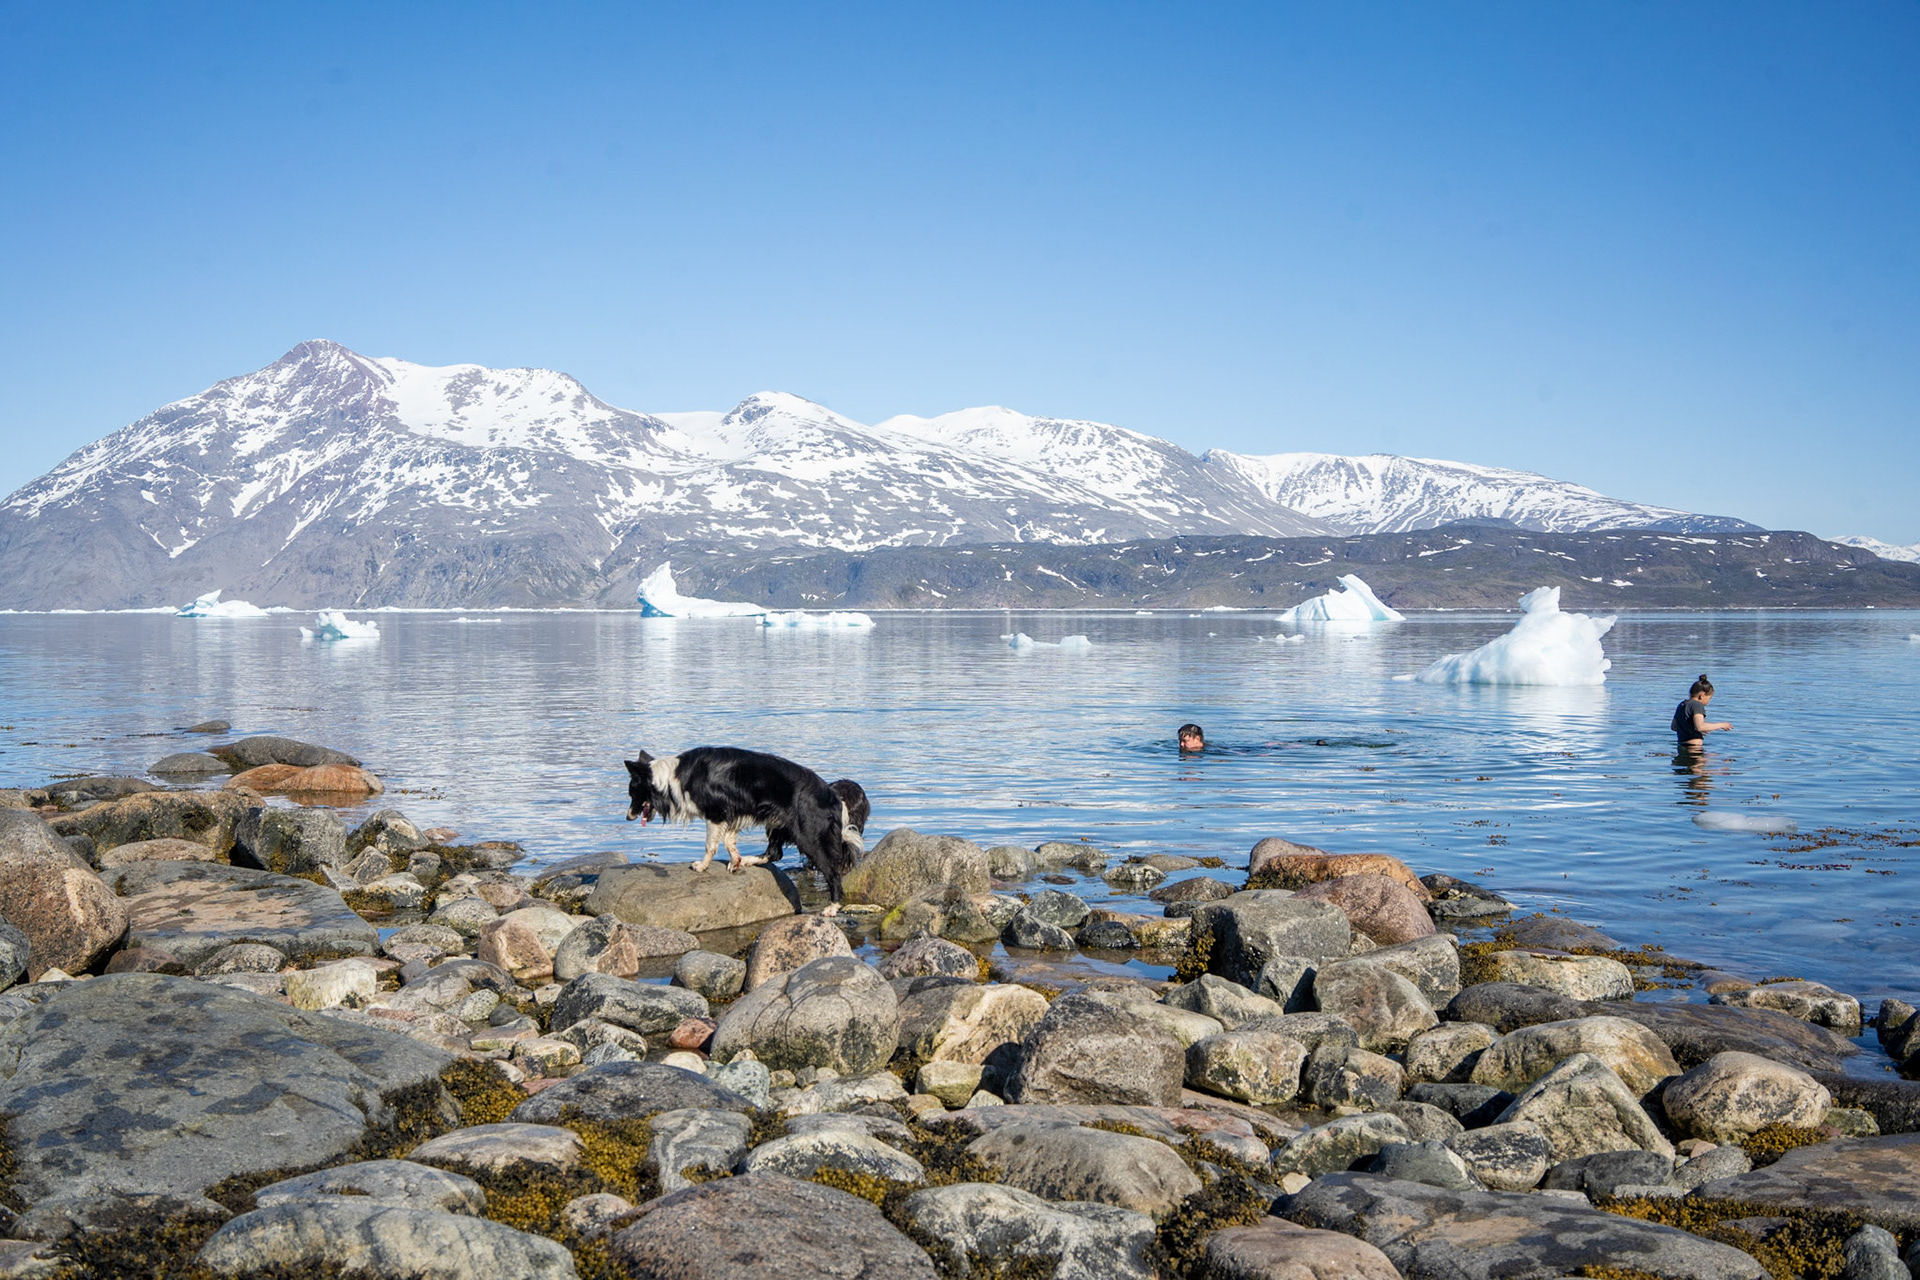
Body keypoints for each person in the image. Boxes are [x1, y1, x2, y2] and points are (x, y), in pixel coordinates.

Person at [1671, 675, 1732, 750]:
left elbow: (1674, 727)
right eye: (1709, 698)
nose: (1708, 701)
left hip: (1682, 745)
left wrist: (1693, 730)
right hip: (1695, 747)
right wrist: (1722, 725)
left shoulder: (1682, 705)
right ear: (1702, 695)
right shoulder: (1697, 705)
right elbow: (1700, 727)